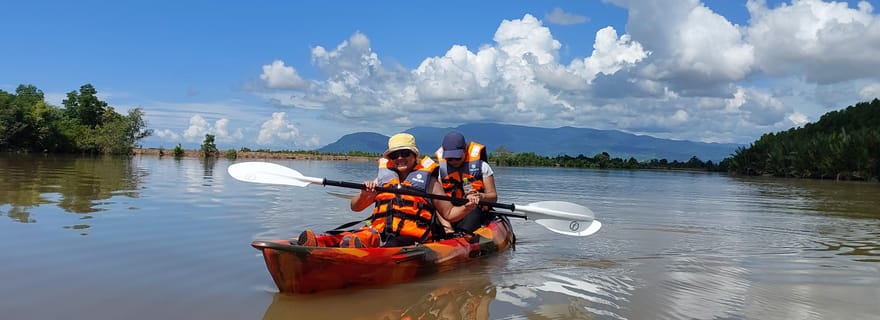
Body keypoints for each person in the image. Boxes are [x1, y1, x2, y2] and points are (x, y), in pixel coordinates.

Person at [297, 133, 479, 248]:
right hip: (378, 231)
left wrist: (468, 207)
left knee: (377, 241)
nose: (400, 158)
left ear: (415, 155)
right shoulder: (382, 180)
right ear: (389, 158)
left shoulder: (429, 182)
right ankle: (317, 242)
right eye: (394, 155)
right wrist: (364, 195)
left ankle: (355, 250)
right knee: (357, 235)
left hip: (409, 239)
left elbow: (450, 213)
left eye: (405, 153)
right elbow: (355, 207)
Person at [434, 131, 497, 235]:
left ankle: (464, 235)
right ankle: (448, 232)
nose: (453, 162)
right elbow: (438, 200)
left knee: (473, 210)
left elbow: (493, 197)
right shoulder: (440, 170)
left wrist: (480, 196)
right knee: (436, 207)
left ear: (465, 150)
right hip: (450, 209)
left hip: (473, 209)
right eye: (449, 159)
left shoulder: (482, 166)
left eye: (457, 157)